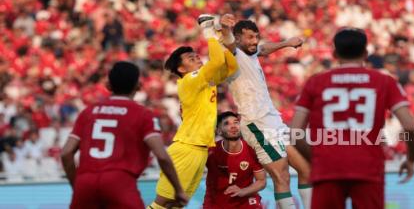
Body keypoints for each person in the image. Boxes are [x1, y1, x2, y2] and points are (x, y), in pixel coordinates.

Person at [291, 28, 414, 209]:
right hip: (368, 168)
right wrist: (411, 159)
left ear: (334, 53)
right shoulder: (384, 81)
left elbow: (295, 132)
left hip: (327, 168)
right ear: (366, 53)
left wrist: (317, 158)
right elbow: (411, 127)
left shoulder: (315, 82)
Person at [61, 61, 188, 209]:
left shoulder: (88, 112)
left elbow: (66, 153)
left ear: (108, 86)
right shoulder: (143, 114)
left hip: (85, 183)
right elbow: (162, 156)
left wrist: (77, 185)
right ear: (139, 86)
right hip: (119, 182)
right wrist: (178, 190)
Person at [148, 14, 238, 209]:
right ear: (181, 68)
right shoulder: (189, 79)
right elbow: (215, 63)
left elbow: (231, 66)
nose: (197, 57)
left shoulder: (204, 80)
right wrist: (209, 32)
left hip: (199, 148)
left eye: (196, 55)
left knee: (177, 204)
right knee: (162, 202)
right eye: (191, 58)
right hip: (187, 147)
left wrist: (222, 41)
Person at [223, 19, 311, 209]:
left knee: (306, 169)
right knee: (282, 175)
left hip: (274, 122)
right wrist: (223, 27)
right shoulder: (233, 54)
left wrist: (286, 43)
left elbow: (263, 49)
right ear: (237, 38)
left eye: (256, 36)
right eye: (250, 37)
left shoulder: (251, 53)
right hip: (257, 124)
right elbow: (228, 42)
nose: (254, 41)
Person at [203, 111, 266, 209]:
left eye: (236, 122)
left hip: (246, 201)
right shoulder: (211, 151)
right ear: (219, 131)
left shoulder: (252, 149)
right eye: (227, 123)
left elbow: (261, 181)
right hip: (216, 203)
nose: (233, 126)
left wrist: (242, 191)